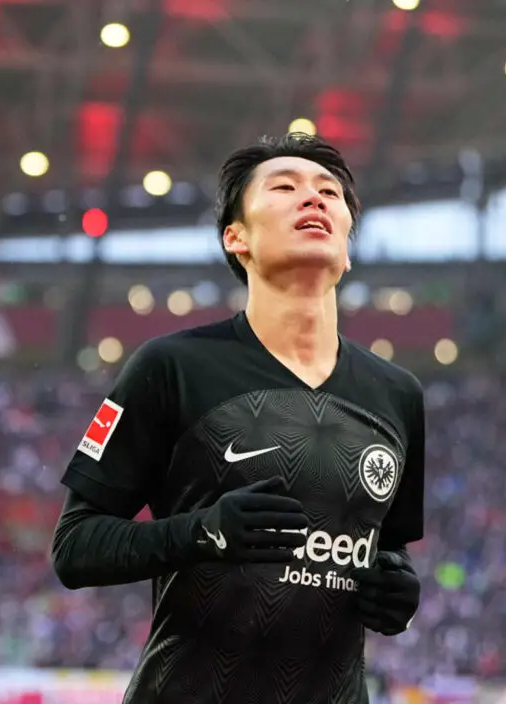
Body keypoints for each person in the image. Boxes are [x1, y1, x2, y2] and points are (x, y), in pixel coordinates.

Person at [51, 133, 424, 704]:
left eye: (329, 192)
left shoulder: (397, 395)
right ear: (236, 237)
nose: (314, 198)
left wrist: (398, 590)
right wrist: (204, 531)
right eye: (285, 187)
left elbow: (386, 550)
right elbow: (75, 547)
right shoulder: (171, 366)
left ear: (347, 249)